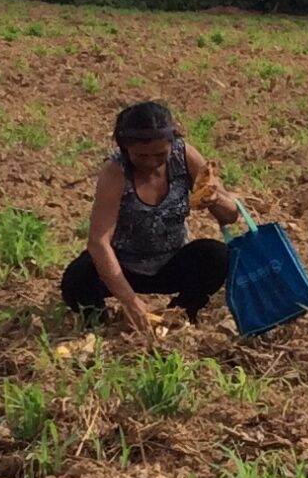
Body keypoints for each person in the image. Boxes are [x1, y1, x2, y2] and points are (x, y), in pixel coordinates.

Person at [61, 100, 244, 331]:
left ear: (172, 142)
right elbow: (99, 242)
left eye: (160, 154)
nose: (151, 163)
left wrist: (216, 199)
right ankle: (101, 327)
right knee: (77, 279)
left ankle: (179, 315)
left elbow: (230, 216)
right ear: (126, 148)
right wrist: (130, 301)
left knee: (217, 256)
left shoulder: (184, 156)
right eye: (141, 156)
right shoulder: (115, 173)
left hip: (172, 262)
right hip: (124, 265)